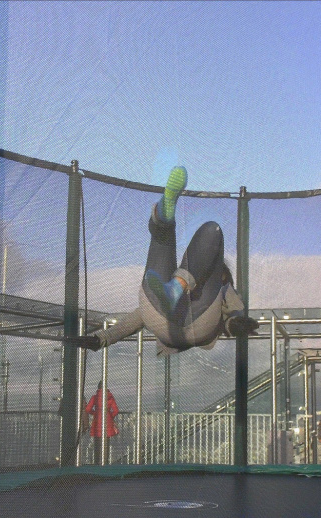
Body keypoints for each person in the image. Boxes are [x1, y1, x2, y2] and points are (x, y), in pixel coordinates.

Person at [71, 166, 259, 356]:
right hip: (190, 324)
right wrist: (102, 338)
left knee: (208, 231)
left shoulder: (222, 288)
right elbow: (138, 318)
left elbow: (140, 317)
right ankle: (165, 223)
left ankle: (163, 226)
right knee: (212, 230)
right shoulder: (221, 287)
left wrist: (236, 324)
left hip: (180, 321)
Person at [85, 381, 119, 465]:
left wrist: (95, 413)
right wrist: (110, 416)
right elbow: (116, 410)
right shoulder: (110, 397)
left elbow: (88, 409)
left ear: (98, 388)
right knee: (106, 444)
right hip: (107, 422)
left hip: (97, 422)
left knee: (97, 443)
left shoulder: (95, 397)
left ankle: (97, 462)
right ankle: (105, 462)